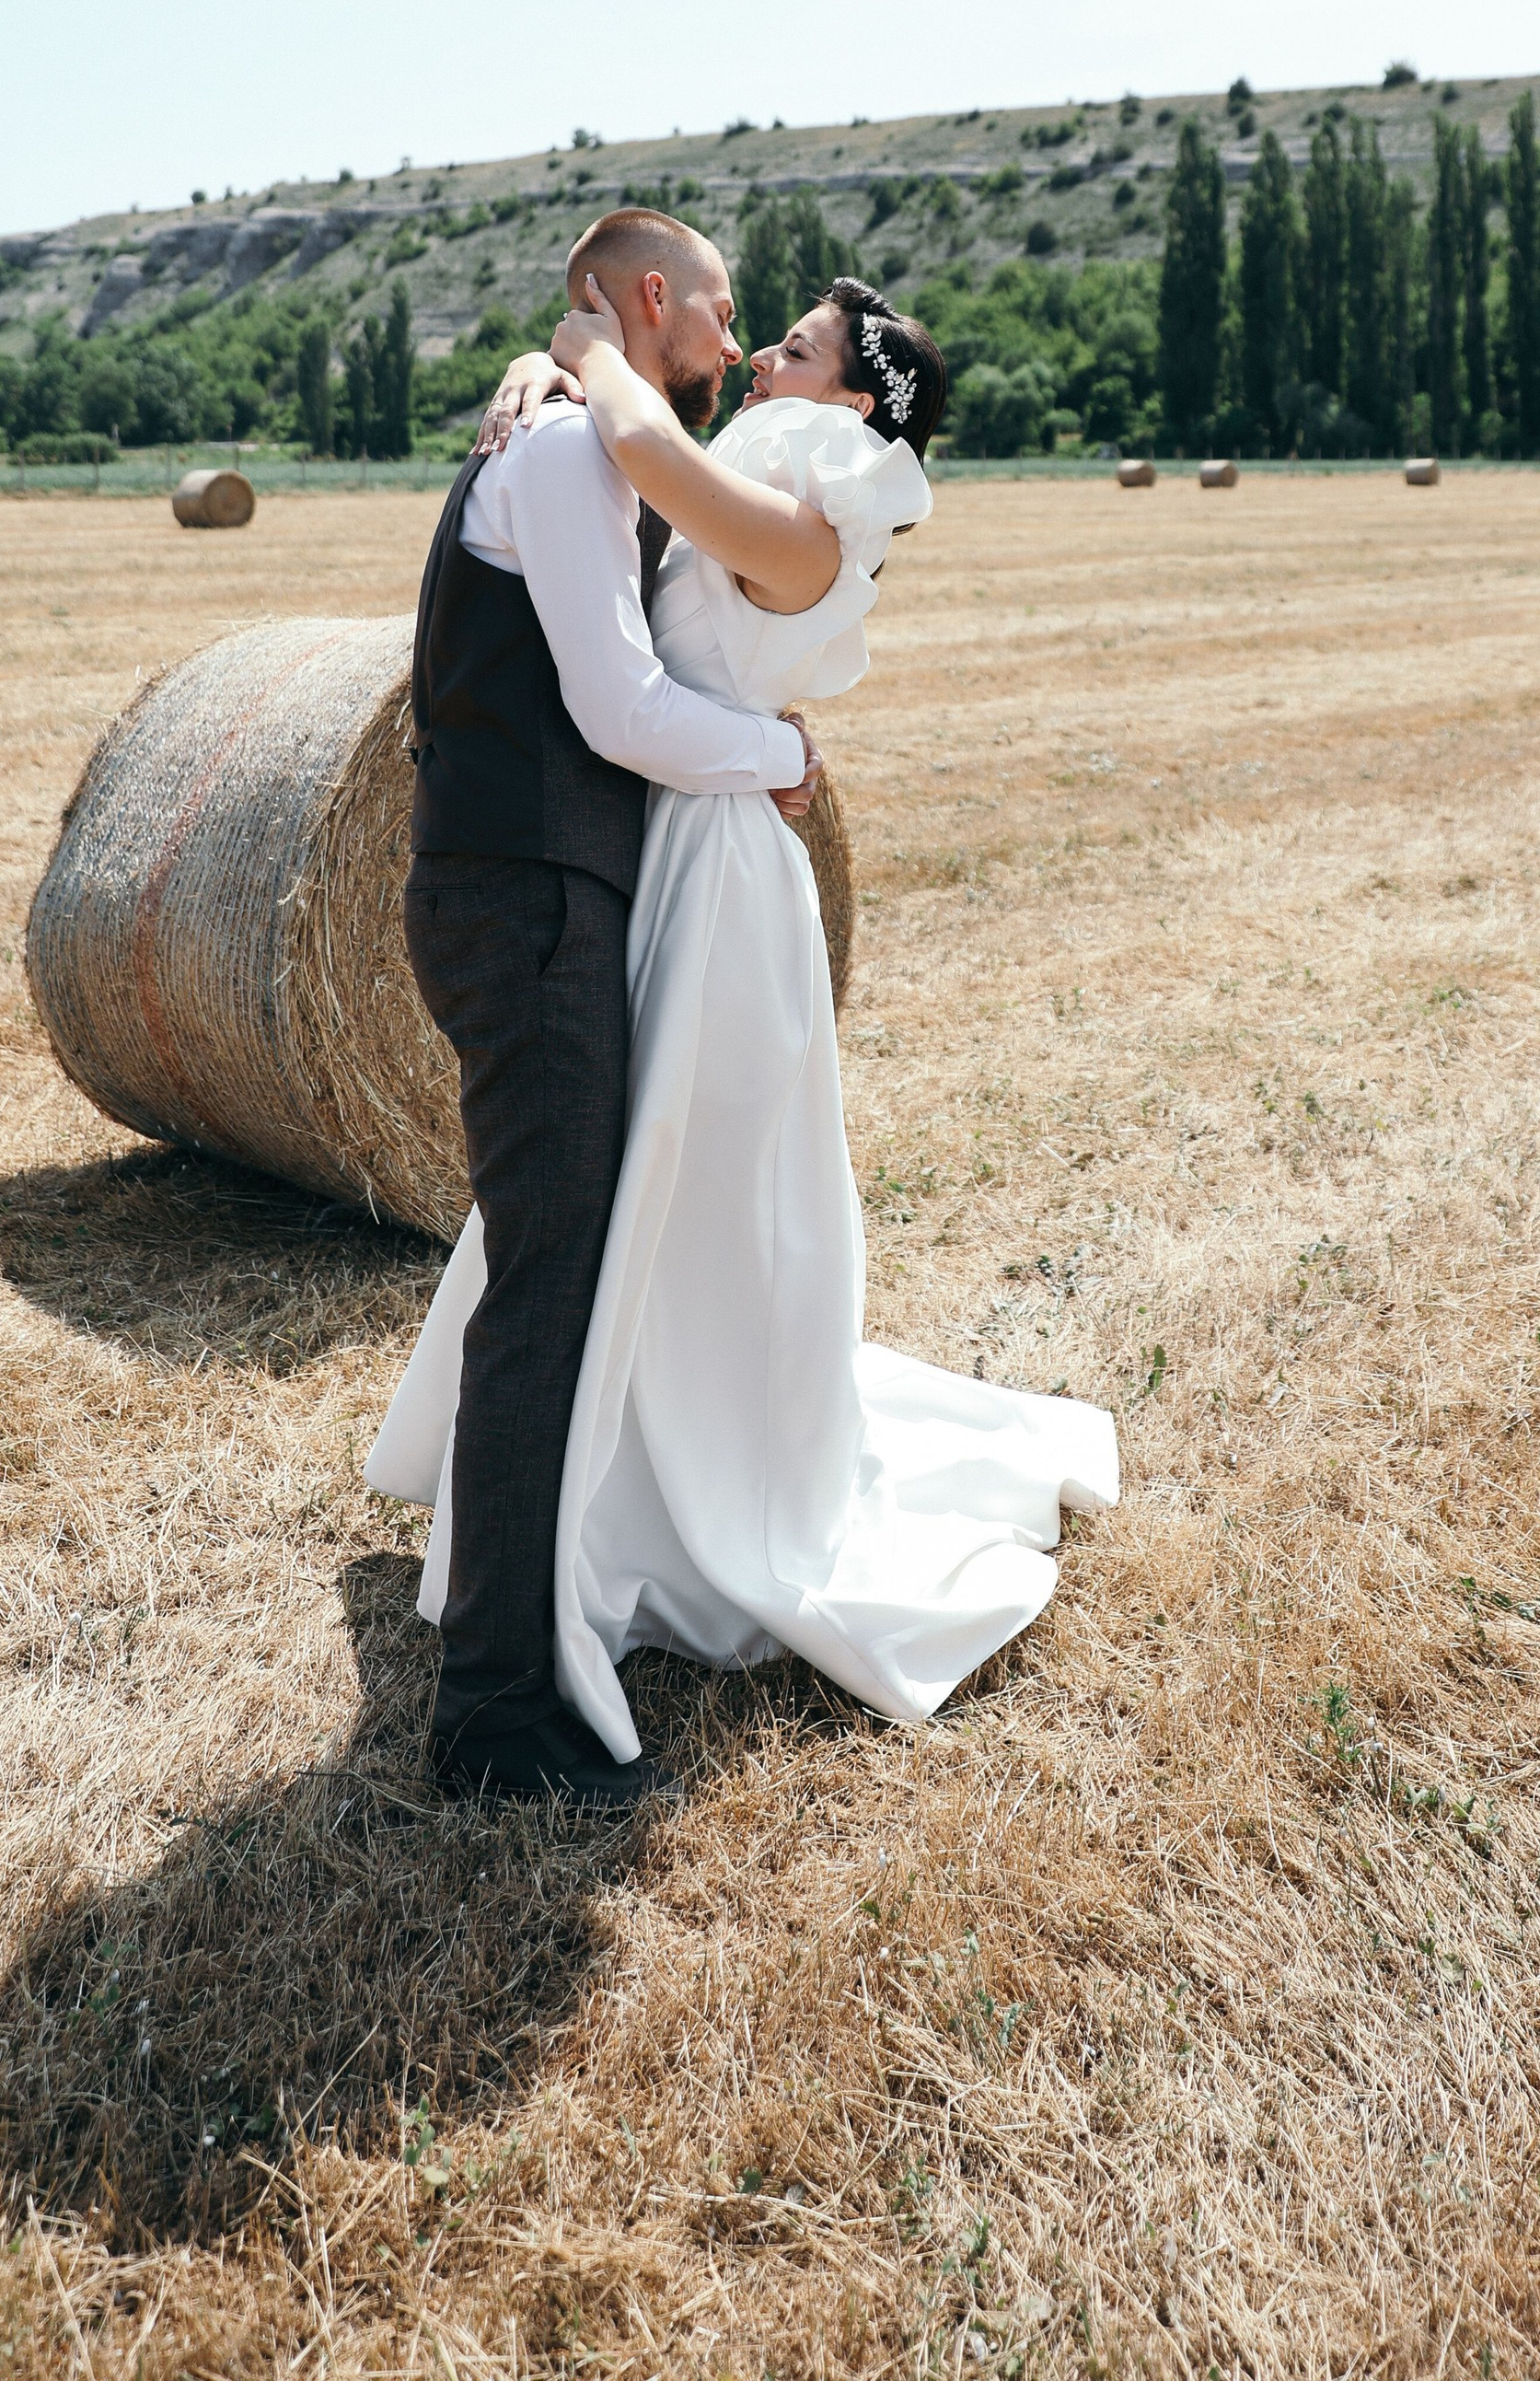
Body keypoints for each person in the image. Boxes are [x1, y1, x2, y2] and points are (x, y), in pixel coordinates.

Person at [369, 267, 1117, 1783]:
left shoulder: (809, 517)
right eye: (764, 332)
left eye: (799, 347)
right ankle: (605, 1510)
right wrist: (551, 374)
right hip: (661, 848)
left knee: (686, 1205)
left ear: (855, 402)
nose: (766, 350)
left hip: (713, 878)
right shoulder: (753, 483)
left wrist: (579, 351)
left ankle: (692, 1513)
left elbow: (647, 456)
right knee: (624, 1210)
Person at [388, 204, 825, 1810]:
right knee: (549, 1288)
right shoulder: (573, 453)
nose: (735, 333)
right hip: (532, 907)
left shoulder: (578, 436)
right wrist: (783, 759)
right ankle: (495, 1714)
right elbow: (621, 708)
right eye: (721, 306)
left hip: (529, 894)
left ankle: (528, 1613)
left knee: (554, 1269)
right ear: (650, 297)